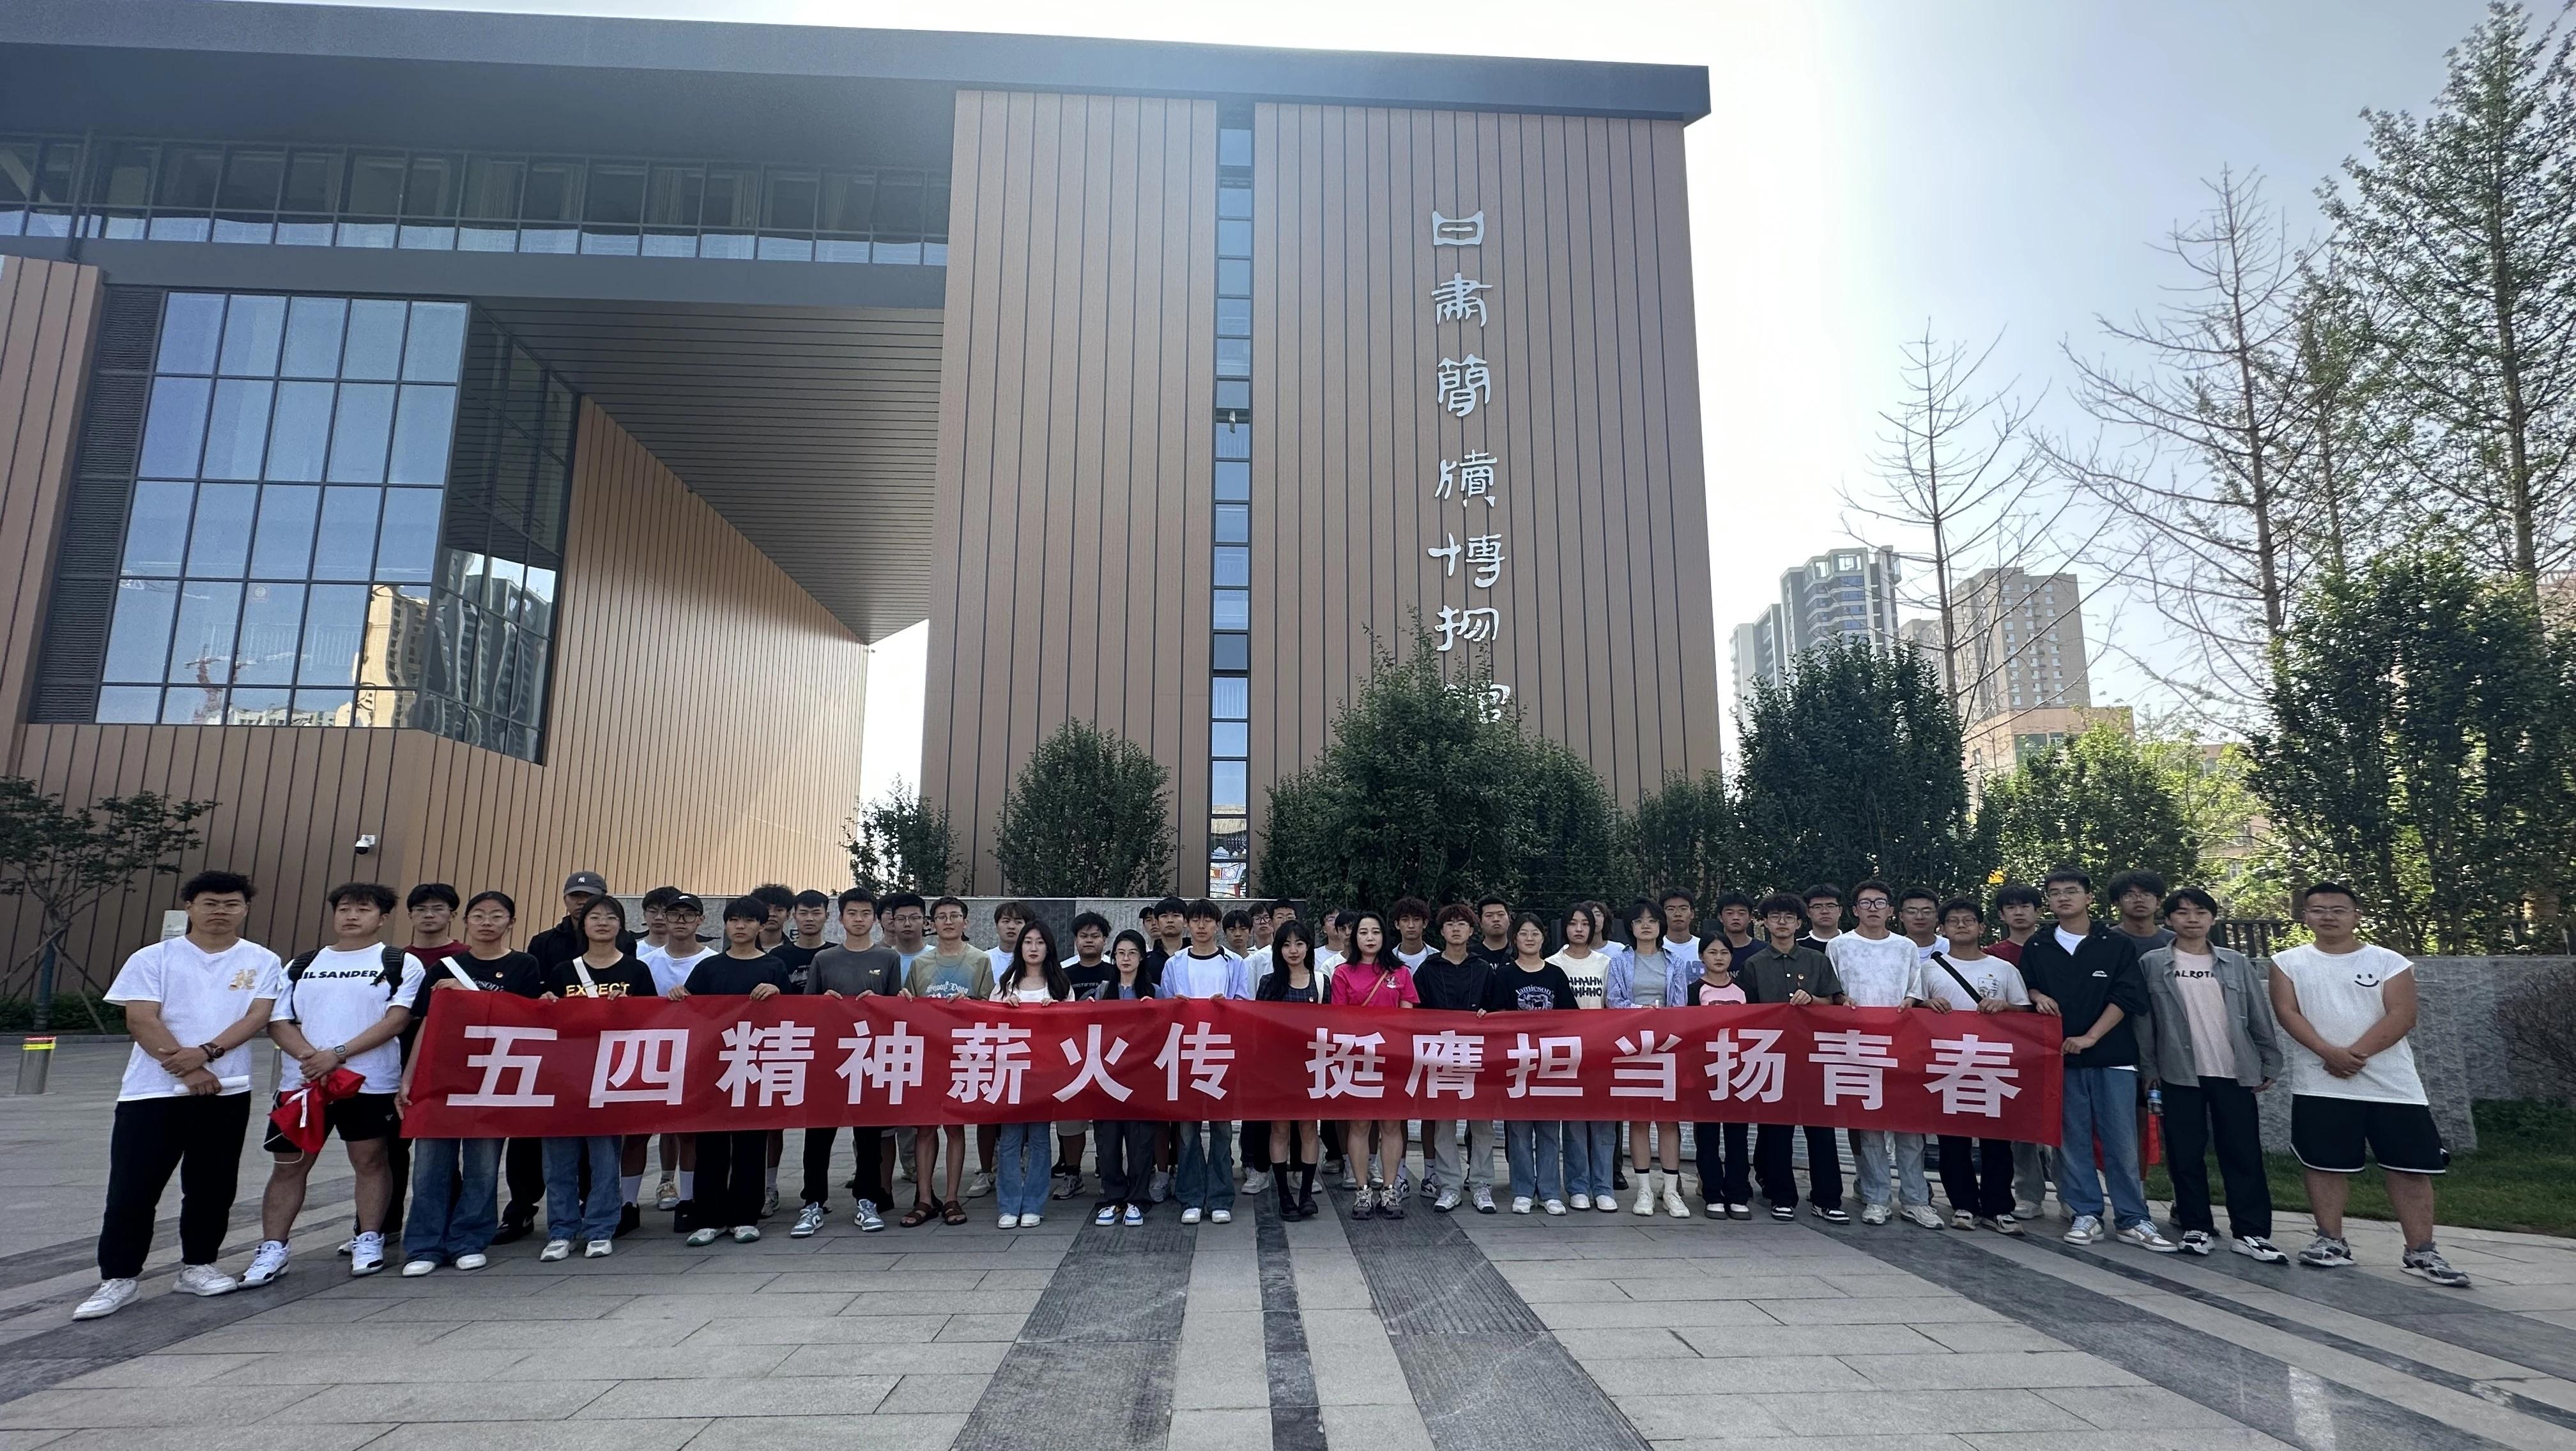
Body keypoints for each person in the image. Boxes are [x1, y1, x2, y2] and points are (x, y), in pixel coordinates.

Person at [77, 871, 281, 1321]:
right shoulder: (154, 957)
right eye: (210, 903)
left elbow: (257, 1016)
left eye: (231, 903)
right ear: (189, 907)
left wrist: (208, 1054)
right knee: (133, 1187)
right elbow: (141, 1019)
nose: (220, 911)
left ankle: (198, 1265)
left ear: (245, 909)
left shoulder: (263, 959)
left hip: (227, 1090)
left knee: (212, 1185)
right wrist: (189, 1068)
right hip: (150, 1092)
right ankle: (119, 1277)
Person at [2268, 883, 2468, 1287]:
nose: (2328, 916)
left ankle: (2421, 1251)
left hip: (2392, 1085)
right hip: (2321, 1083)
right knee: (2324, 1166)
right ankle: (2330, 1241)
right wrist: (2328, 1053)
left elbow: (2402, 1015)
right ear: (2305, 916)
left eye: (2338, 909)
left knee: (2410, 1168)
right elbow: (2287, 1013)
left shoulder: (2389, 961)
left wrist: (2353, 1055)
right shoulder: (2287, 962)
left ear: (2356, 915)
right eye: (2318, 910)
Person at [242, 882, 424, 1287]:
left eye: (363, 909)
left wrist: (338, 1054)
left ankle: (370, 1238)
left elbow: (397, 1020)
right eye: (344, 909)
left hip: (370, 1082)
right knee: (289, 1165)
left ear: (383, 917)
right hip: (303, 1084)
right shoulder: (302, 964)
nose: (352, 916)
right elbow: (278, 1020)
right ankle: (273, 1247)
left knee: (371, 1161)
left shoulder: (400, 962)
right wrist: (312, 1057)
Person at [2016, 868, 2176, 1252]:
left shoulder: (2115, 943)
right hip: (2061, 1059)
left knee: (2121, 1141)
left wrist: (2091, 1037)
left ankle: (2133, 1218)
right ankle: (2085, 1212)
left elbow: (2126, 996)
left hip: (2112, 1057)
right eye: (2055, 893)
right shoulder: (2039, 945)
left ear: (2089, 898)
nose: (2063, 898)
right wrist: (2038, 995)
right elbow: (2027, 986)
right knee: (2072, 1140)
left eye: (2071, 891)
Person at [396, 891, 542, 1276]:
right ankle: (424, 1245)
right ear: (465, 922)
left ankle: (469, 1239)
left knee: (483, 1166)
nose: (487, 923)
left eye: (497, 916)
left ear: (511, 922)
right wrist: (408, 1078)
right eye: (478, 916)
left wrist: (471, 997)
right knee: (430, 1166)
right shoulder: (444, 968)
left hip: (494, 1077)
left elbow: (527, 1019)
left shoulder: (525, 965)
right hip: (441, 1077)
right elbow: (427, 1026)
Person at [2135, 887, 2285, 1262]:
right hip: (2179, 1072)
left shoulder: (2235, 962)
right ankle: (2196, 1226)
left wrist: (2269, 1061)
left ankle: (2251, 1232)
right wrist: (2149, 1068)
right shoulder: (2152, 963)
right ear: (2169, 919)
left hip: (2234, 1071)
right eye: (2182, 912)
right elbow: (2145, 1022)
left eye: (2200, 912)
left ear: (2212, 919)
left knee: (2243, 1153)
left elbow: (2257, 1013)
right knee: (2185, 1153)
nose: (2192, 919)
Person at [534, 895, 654, 1261]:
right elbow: (543, 1024)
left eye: (610, 917)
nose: (602, 923)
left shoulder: (636, 971)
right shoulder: (563, 972)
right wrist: (545, 1004)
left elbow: (653, 1022)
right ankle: (561, 1230)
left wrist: (628, 1009)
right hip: (564, 1078)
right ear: (583, 925)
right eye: (595, 917)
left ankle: (601, 1227)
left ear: (621, 925)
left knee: (604, 1158)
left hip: (610, 1078)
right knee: (559, 1160)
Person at [669, 897, 787, 1246]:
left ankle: (745, 1216)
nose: (740, 926)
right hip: (714, 1068)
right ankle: (710, 1217)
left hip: (756, 1065)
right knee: (711, 1144)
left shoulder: (774, 967)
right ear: (724, 925)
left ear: (761, 926)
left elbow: (793, 1015)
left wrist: (779, 993)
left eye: (748, 920)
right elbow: (690, 1013)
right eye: (734, 920)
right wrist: (678, 995)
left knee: (751, 1143)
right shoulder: (709, 968)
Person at [1912, 899, 2031, 1234]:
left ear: (1982, 927)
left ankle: (1999, 1207)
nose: (1962, 926)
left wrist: (2005, 1007)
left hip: (1994, 1062)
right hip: (1949, 1061)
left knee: (1997, 1140)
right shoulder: (1930, 969)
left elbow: (2026, 1013)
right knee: (1953, 1139)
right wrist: (1927, 1004)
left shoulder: (2004, 969)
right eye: (1954, 921)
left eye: (1969, 920)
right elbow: (1913, 1010)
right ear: (1943, 929)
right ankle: (1962, 1204)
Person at [1829, 880, 1941, 1230]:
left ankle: (1916, 1200)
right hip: (1857, 1045)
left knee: (1909, 1128)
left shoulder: (1905, 947)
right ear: (1855, 910)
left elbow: (1915, 989)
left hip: (1901, 1044)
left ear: (1891, 910)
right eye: (1865, 903)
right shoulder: (1839, 945)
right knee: (1870, 1127)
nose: (1873, 909)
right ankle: (1876, 1197)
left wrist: (1910, 1001)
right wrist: (1841, 1000)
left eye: (1880, 903)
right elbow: (1833, 990)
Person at [797, 889, 902, 1236]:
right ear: (840, 918)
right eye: (852, 913)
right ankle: (813, 1202)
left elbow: (895, 1012)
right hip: (828, 1060)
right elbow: (807, 1012)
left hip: (869, 1059)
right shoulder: (824, 960)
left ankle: (867, 1199)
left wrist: (883, 1003)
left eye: (866, 913)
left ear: (876, 919)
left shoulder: (888, 958)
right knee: (818, 1136)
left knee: (869, 1136)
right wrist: (824, 1003)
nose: (859, 919)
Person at [1740, 893, 1848, 1224]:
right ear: (1765, 923)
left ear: (1800, 923)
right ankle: (1781, 1195)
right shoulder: (1754, 964)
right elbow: (1746, 1014)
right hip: (1773, 1055)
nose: (1782, 923)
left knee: (1821, 1130)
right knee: (1776, 1131)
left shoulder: (1817, 960)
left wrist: (1813, 1000)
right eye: (1775, 917)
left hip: (1815, 1055)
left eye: (1789, 917)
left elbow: (1834, 1003)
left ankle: (1827, 1199)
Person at [902, 896, 996, 1226]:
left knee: (955, 1127)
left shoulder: (980, 960)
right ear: (933, 924)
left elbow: (989, 1007)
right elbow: (908, 1009)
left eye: (955, 916)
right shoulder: (920, 964)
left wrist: (969, 1002)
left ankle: (953, 1197)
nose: (948, 921)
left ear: (965, 922)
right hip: (928, 1055)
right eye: (941, 917)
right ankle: (925, 1199)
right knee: (925, 1128)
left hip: (962, 1053)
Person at [1478, 913, 1575, 1215]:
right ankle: (1522, 1190)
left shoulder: (1556, 975)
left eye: (1535, 933)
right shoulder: (1505, 975)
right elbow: (1495, 1014)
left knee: (1549, 1130)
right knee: (1518, 1131)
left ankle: (1550, 1192)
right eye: (1524, 933)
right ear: (1515, 939)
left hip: (1549, 1063)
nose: (1530, 938)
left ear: (1544, 938)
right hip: (1516, 1063)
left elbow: (1572, 1019)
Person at [1163, 898, 1252, 1225]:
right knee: (1187, 1131)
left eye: (1208, 920)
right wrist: (1175, 1005)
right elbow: (1164, 1008)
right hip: (1186, 1053)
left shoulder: (1234, 963)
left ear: (1217, 925)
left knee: (1221, 1130)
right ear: (1188, 925)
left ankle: (1220, 1197)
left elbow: (1245, 1003)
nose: (1201, 926)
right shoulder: (1174, 964)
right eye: (1196, 920)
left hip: (1221, 1053)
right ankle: (1191, 1196)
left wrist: (1228, 1005)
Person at [1607, 899, 1698, 1218]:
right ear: (1630, 927)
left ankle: (1671, 1190)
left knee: (1669, 1120)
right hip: (1633, 1047)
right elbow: (1614, 1001)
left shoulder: (1675, 962)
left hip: (1668, 1046)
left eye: (1652, 920)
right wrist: (1640, 1012)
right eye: (1639, 921)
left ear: (1661, 926)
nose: (1646, 926)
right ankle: (1643, 1189)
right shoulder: (1619, 962)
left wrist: (1661, 1018)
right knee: (1639, 1118)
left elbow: (1680, 1006)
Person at [1331, 910, 1418, 1218]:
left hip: (1392, 1059)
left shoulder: (1402, 973)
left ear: (1385, 936)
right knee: (1360, 1124)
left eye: (1376, 932)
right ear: (1354, 938)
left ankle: (1390, 1190)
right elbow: (1339, 1018)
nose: (1370, 938)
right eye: (1364, 932)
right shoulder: (1343, 973)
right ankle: (1362, 1190)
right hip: (1357, 1058)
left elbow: (1407, 1019)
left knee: (1391, 1125)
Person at [1414, 904, 1498, 1214]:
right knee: (1444, 1124)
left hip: (1477, 1055)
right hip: (1441, 1056)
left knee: (1483, 1125)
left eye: (1462, 924)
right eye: (1450, 925)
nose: (1456, 929)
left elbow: (1498, 1009)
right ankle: (1449, 1186)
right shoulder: (1428, 969)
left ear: (1471, 931)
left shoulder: (1483, 969)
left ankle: (1481, 1184)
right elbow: (1415, 1012)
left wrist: (1488, 1014)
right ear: (1442, 931)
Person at [992, 922, 1071, 1230]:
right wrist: (1003, 1007)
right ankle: (1008, 1205)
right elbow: (986, 1024)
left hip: (1044, 1073)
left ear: (1049, 947)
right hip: (1011, 1071)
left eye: (1040, 942)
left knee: (1039, 1138)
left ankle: (1034, 1204)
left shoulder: (1060, 985)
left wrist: (1058, 1012)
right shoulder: (1006, 983)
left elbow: (1074, 1030)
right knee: (1010, 1139)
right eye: (1028, 942)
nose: (1034, 948)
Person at [642, 894, 712, 1211]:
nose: (681, 921)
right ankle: (664, 1181)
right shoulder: (646, 962)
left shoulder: (712, 961)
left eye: (688, 915)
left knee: (690, 1129)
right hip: (655, 1051)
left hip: (700, 1053)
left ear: (701, 920)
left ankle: (691, 1192)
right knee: (653, 1128)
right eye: (674, 914)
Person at [1548, 904, 1619, 1213]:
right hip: (1567, 1054)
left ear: (1594, 928)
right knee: (1574, 1124)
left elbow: (1614, 1005)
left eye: (1585, 924)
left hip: (1601, 1052)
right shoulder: (1552, 964)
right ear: (1564, 927)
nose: (1579, 929)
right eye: (1573, 923)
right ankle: (1578, 1186)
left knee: (1604, 1124)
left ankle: (1604, 1187)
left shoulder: (1607, 964)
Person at [1986, 882, 2049, 1217]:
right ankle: (2028, 1194)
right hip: (2009, 1047)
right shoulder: (1992, 954)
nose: (2019, 912)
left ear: (2039, 911)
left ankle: (2073, 1199)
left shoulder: (2055, 947)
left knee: (2060, 1123)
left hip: (2054, 1043)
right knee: (2018, 1123)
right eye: (2011, 907)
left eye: (2026, 906)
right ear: (2001, 915)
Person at [1092, 930, 1163, 1227]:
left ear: (1142, 957)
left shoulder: (1155, 992)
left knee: (1140, 1143)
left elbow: (1168, 1028)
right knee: (1108, 1142)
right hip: (1106, 1077)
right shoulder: (1101, 991)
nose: (1126, 959)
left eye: (1132, 953)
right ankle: (1112, 1198)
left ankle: (1137, 1199)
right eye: (1120, 953)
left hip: (1141, 1079)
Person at [1261, 919, 1330, 1220]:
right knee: (1279, 1129)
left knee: (1309, 1128)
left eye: (1299, 944)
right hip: (1278, 1068)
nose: (1293, 950)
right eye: (1286, 944)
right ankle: (1283, 1195)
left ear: (1308, 947)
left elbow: (1331, 1026)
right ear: (1278, 949)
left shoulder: (1321, 981)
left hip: (1312, 1066)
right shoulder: (1268, 983)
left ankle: (1306, 1194)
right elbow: (1259, 1026)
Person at [1689, 933, 1752, 1221]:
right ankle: (1713, 1194)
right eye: (1712, 952)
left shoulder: (1744, 991)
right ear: (1702, 956)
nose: (1718, 958)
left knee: (1738, 1137)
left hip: (1740, 1073)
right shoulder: (1694, 991)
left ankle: (1738, 1194)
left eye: (1724, 952)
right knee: (1708, 1137)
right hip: (1706, 1073)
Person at [1054, 911, 1116, 1202]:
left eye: (1095, 936)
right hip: (1072, 1057)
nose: (1089, 941)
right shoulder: (1062, 974)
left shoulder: (1115, 973)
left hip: (1108, 1058)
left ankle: (1108, 1171)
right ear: (1075, 940)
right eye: (1083, 936)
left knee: (1107, 1120)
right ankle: (1073, 1174)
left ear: (1105, 940)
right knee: (1071, 1121)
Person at [528, 871, 628, 971]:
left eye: (589, 895)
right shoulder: (543, 943)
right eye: (575, 896)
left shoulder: (624, 940)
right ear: (565, 899)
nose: (582, 901)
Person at [2107, 870, 2175, 953]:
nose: (2139, 900)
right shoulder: (2106, 940)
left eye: (2146, 895)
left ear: (2158, 902)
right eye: (2130, 895)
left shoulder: (2174, 941)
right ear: (2117, 903)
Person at [1711, 892, 1761, 970]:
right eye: (1730, 913)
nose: (1736, 918)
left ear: (1750, 918)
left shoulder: (1763, 949)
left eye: (1741, 913)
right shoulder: (1711, 951)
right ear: (1720, 917)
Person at [1896, 887, 1942, 960]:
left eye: (1926, 912)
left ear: (1937, 916)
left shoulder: (1951, 948)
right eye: (1912, 912)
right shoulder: (1892, 949)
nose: (1919, 917)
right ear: (1901, 917)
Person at [1797, 884, 1845, 953]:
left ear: (1840, 911)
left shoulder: (1853, 943)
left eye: (1830, 906)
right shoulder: (1797, 946)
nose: (1824, 911)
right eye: (1818, 907)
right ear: (1808, 912)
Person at [1660, 889, 1702, 965]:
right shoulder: (1656, 948)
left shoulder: (1704, 947)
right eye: (1671, 909)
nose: (1678, 914)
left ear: (1692, 914)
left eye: (1683, 909)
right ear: (1662, 914)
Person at [1472, 896, 1515, 970]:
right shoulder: (1471, 955)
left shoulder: (1520, 953)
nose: (1496, 919)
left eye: (1501, 915)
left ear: (1509, 920)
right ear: (1481, 923)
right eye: (1489, 915)